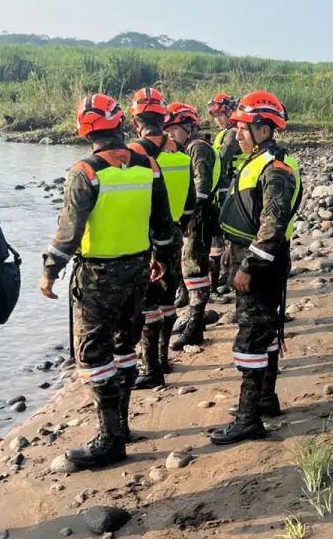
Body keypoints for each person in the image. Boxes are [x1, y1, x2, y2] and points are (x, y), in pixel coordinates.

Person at [40, 94, 174, 468]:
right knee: (124, 346)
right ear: (120, 125)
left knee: (94, 354)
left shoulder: (85, 172)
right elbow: (162, 220)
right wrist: (160, 257)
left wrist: (50, 270)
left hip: (98, 275)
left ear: (85, 132)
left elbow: (69, 231)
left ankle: (111, 439)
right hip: (137, 270)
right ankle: (122, 427)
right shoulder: (148, 165)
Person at [211, 91, 301, 445]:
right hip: (250, 257)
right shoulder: (258, 160)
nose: (237, 134)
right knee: (263, 333)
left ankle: (249, 418)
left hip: (260, 262)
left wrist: (248, 266)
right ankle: (265, 399)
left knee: (251, 337)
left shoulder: (275, 169)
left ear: (263, 129)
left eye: (244, 128)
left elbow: (272, 226)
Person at [127, 87, 196, 389]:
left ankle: (150, 366)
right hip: (176, 233)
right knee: (167, 301)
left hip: (147, 240)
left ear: (134, 121)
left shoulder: (135, 154)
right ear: (164, 119)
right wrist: (188, 223)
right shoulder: (179, 152)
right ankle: (164, 358)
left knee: (147, 306)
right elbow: (191, 197)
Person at [165, 102, 220, 349]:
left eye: (174, 129)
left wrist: (188, 217)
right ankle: (188, 306)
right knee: (187, 268)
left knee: (195, 270)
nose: (169, 134)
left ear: (188, 127)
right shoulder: (186, 148)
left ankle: (194, 325)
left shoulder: (197, 148)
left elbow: (202, 187)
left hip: (198, 218)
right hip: (190, 217)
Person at [208, 92, 244, 288]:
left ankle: (227, 273)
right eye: (214, 116)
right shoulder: (228, 132)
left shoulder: (232, 134)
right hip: (223, 187)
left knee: (226, 233)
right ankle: (224, 272)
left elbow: (221, 159)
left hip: (230, 188)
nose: (217, 120)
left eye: (220, 115)